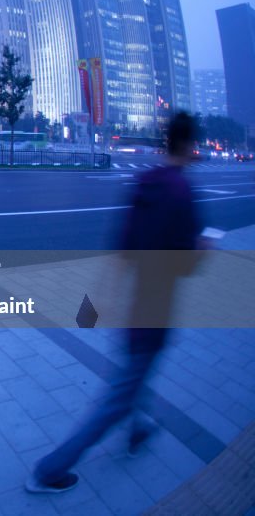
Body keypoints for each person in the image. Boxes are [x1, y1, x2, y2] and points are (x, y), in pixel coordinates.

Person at [26, 112, 206, 494]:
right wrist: (205, 248)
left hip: (132, 303)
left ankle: (139, 430)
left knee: (132, 378)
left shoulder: (146, 181)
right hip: (156, 311)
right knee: (117, 400)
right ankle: (49, 470)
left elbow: (121, 247)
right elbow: (187, 265)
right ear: (190, 145)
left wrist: (99, 298)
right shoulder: (183, 193)